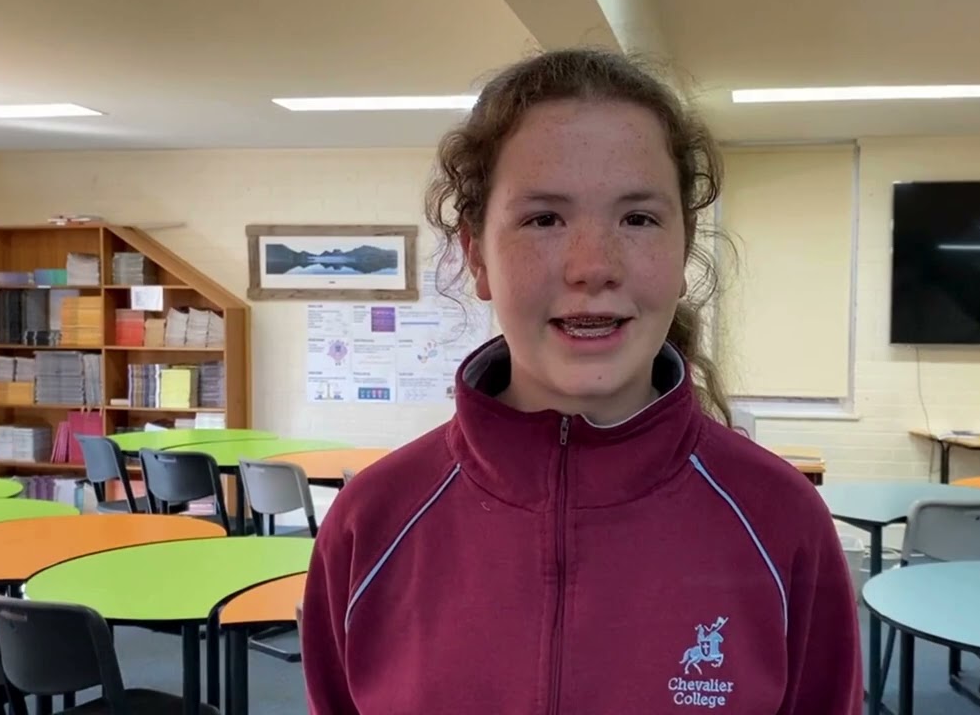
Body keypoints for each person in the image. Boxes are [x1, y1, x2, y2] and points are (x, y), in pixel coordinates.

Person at [301, 47, 862, 714]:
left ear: (683, 252)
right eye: (544, 219)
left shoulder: (781, 521)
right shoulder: (373, 522)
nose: (593, 266)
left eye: (638, 218)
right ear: (477, 256)